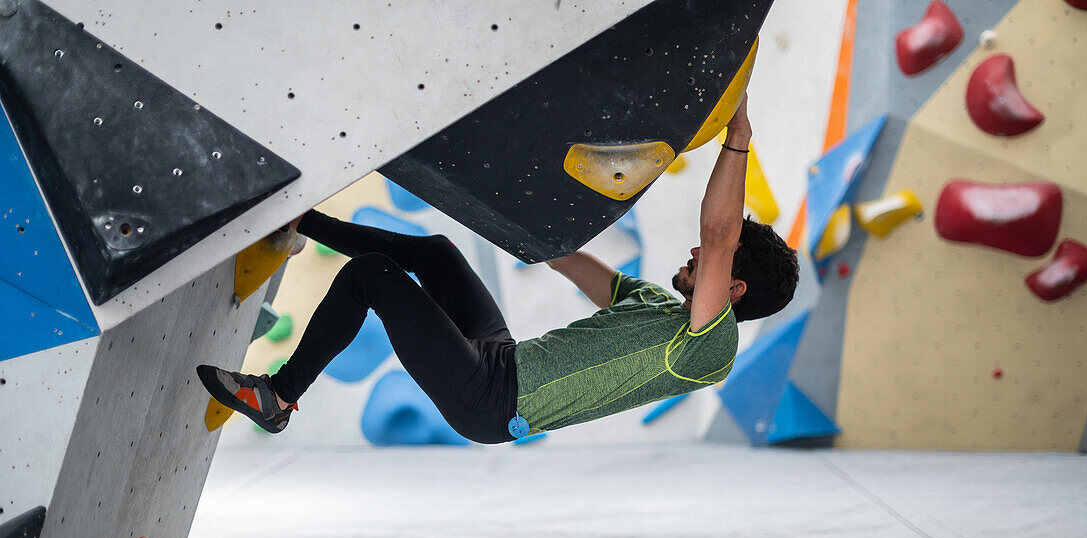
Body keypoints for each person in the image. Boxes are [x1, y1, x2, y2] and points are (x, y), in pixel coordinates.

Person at [197, 96, 798, 441]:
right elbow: (578, 266)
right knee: (435, 252)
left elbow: (718, 236)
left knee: (374, 275)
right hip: (500, 358)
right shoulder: (659, 309)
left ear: (733, 287)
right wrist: (511, 206)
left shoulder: (706, 348)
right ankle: (301, 223)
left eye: (712, 262)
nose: (696, 255)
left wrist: (737, 138)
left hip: (492, 402)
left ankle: (276, 396)